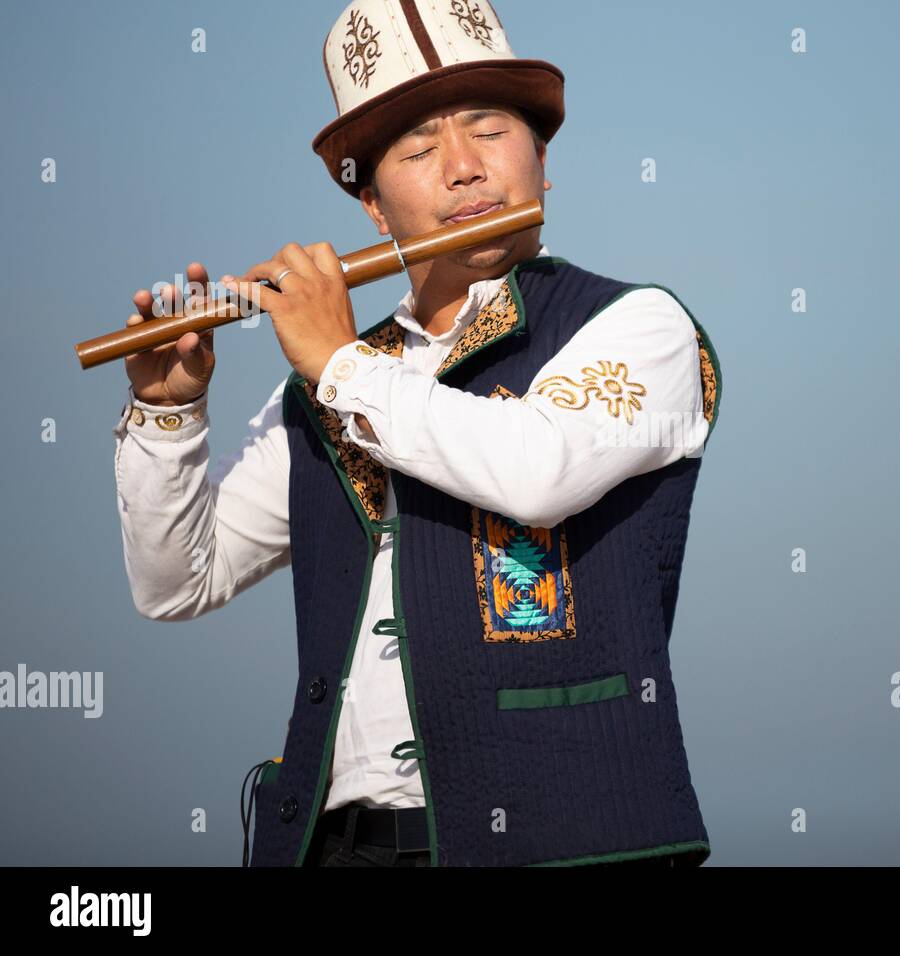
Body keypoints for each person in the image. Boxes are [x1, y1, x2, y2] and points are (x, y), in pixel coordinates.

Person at [113, 0, 722, 867]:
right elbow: (177, 581)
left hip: (564, 846)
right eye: (421, 150)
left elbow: (535, 470)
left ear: (542, 160)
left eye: (491, 133)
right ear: (372, 205)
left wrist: (338, 365)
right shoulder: (332, 382)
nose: (467, 170)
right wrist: (169, 417)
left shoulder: (634, 325)